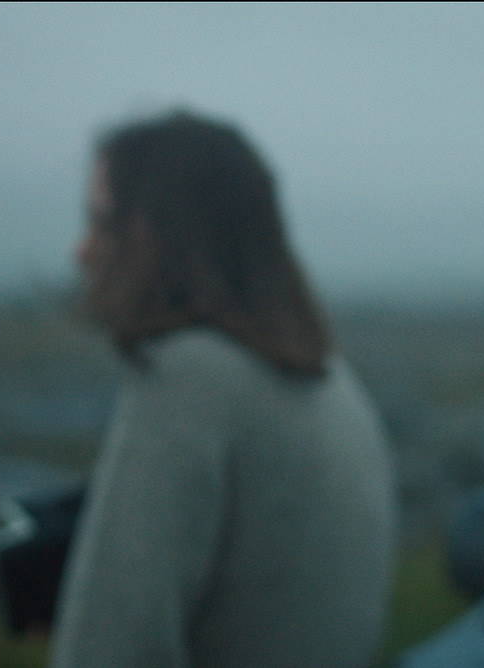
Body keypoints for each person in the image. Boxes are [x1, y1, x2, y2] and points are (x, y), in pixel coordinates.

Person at [50, 110, 397, 668]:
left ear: (160, 233)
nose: (81, 251)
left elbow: (106, 651)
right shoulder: (334, 384)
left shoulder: (189, 379)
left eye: (103, 222)